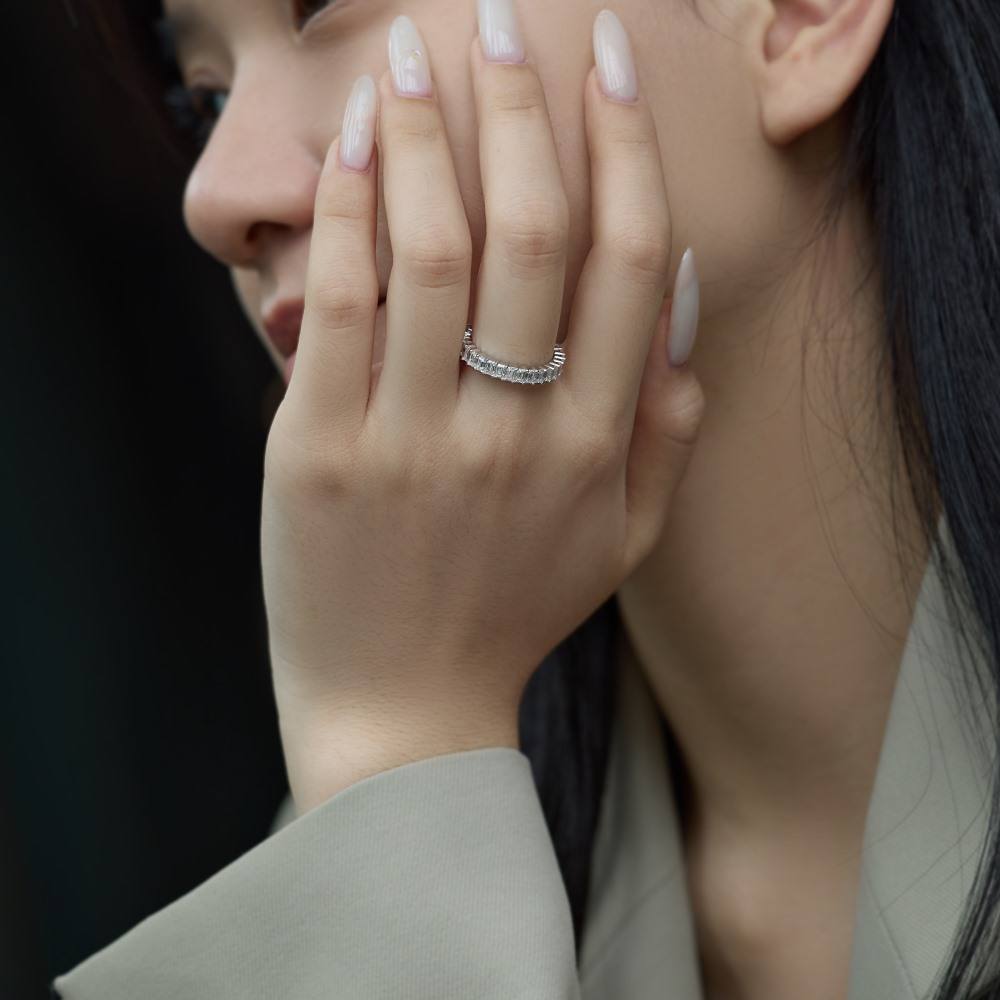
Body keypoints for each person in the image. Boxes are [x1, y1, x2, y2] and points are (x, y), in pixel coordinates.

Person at [53, 0, 1000, 997]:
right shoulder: (372, 805)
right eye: (203, 97)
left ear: (796, 18)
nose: (214, 196)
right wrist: (397, 749)